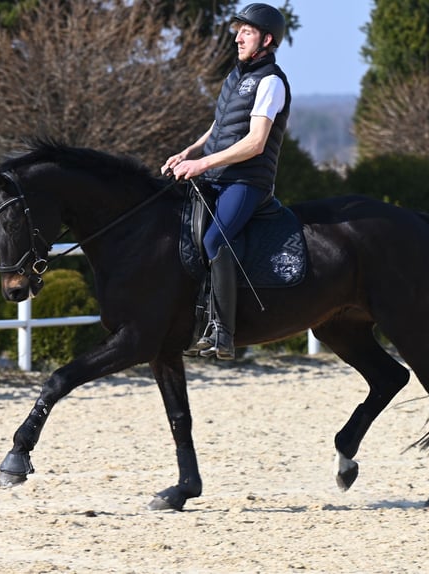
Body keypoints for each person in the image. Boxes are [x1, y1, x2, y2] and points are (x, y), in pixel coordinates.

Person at [161, 3, 291, 360]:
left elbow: (255, 142)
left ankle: (223, 332)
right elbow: (221, 125)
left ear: (266, 39)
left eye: (246, 32)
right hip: (218, 175)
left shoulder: (271, 82)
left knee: (216, 240)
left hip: (247, 182)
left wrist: (203, 163)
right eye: (238, 31)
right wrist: (189, 151)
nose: (237, 37)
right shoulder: (237, 77)